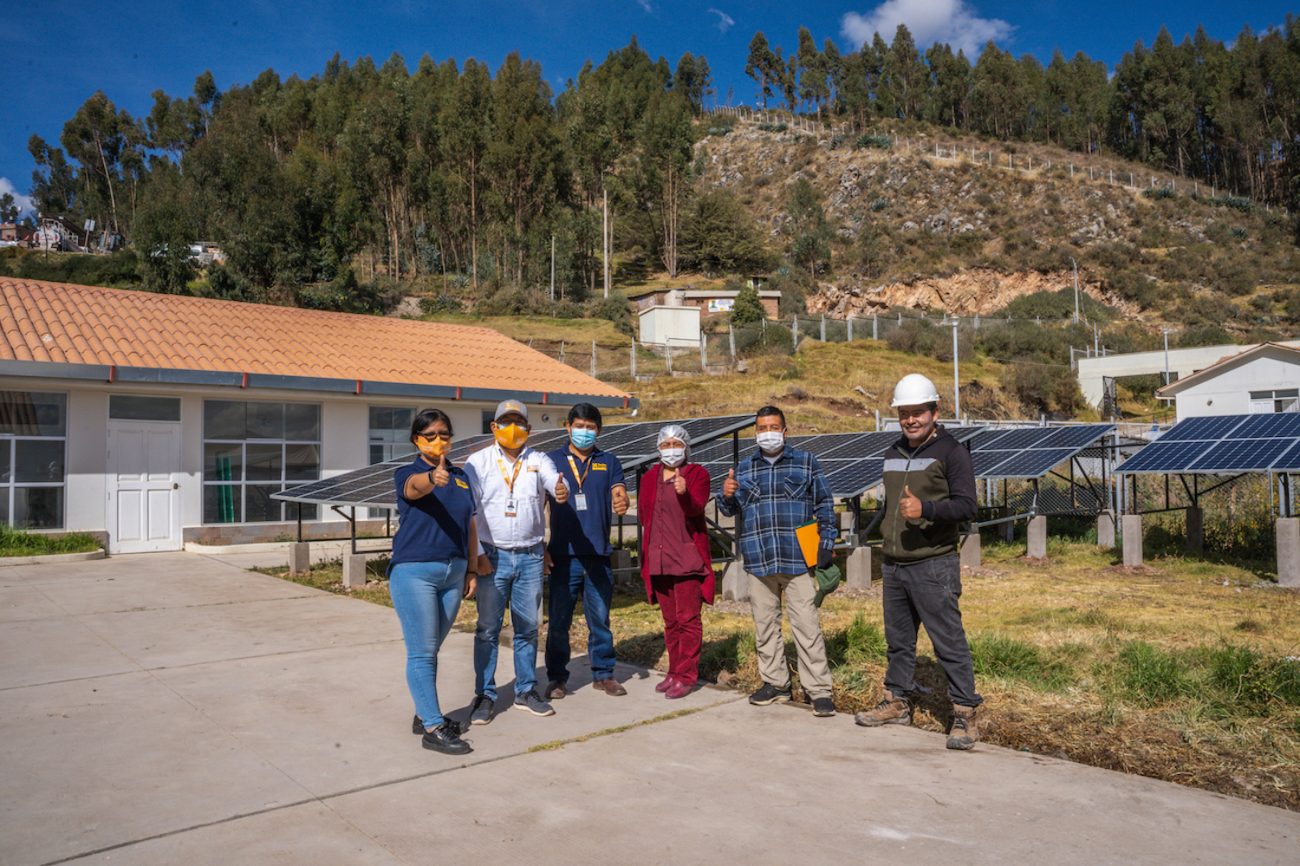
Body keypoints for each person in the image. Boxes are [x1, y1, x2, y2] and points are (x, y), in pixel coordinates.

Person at [853, 373, 983, 750]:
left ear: (934, 411)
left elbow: (967, 506)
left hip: (933, 563)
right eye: (904, 413)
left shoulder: (952, 452)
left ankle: (965, 712)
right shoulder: (893, 452)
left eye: (917, 413)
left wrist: (924, 508)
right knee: (898, 641)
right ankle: (897, 700)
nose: (910, 420)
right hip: (894, 563)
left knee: (948, 641)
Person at [718, 405, 837, 718]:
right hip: (759, 560)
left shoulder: (806, 462)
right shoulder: (743, 468)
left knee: (807, 626)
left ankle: (819, 691)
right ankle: (776, 684)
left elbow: (825, 504)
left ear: (785, 431)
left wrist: (826, 542)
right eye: (761, 427)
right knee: (765, 626)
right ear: (756, 432)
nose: (767, 432)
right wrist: (726, 495)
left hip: (798, 558)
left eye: (773, 426)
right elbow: (729, 510)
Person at [463, 399, 569, 724]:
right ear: (493, 427)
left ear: (529, 429)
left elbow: (553, 480)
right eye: (506, 421)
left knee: (527, 628)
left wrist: (560, 488)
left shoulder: (539, 460)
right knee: (488, 629)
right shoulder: (477, 463)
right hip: (491, 557)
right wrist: (476, 556)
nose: (513, 428)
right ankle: (485, 695)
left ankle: (525, 690)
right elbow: (468, 512)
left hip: (530, 556)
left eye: (519, 422)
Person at [390, 408, 489, 755]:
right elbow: (413, 490)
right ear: (417, 438)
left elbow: (471, 523)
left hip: (455, 572)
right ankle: (432, 726)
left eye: (443, 434)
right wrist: (433, 479)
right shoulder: (409, 472)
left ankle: (423, 712)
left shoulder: (461, 476)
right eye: (429, 435)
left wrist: (473, 569)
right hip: (415, 572)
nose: (438, 440)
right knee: (421, 652)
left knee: (431, 649)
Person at [544, 402, 630, 698]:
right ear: (567, 426)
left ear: (599, 431)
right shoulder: (550, 460)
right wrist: (542, 548)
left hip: (597, 553)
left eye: (590, 427)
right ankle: (557, 678)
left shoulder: (610, 461)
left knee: (600, 618)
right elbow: (538, 503)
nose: (584, 432)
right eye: (578, 426)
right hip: (562, 555)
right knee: (558, 621)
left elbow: (619, 491)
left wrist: (622, 501)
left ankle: (604, 674)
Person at [637, 424, 714, 699]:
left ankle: (687, 675)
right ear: (658, 448)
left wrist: (684, 492)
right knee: (670, 621)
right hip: (658, 559)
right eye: (666, 445)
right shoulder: (648, 479)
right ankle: (673, 671)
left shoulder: (696, 474)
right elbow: (645, 516)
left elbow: (696, 509)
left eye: (676, 444)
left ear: (686, 446)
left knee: (688, 619)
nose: (671, 450)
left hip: (686, 558)